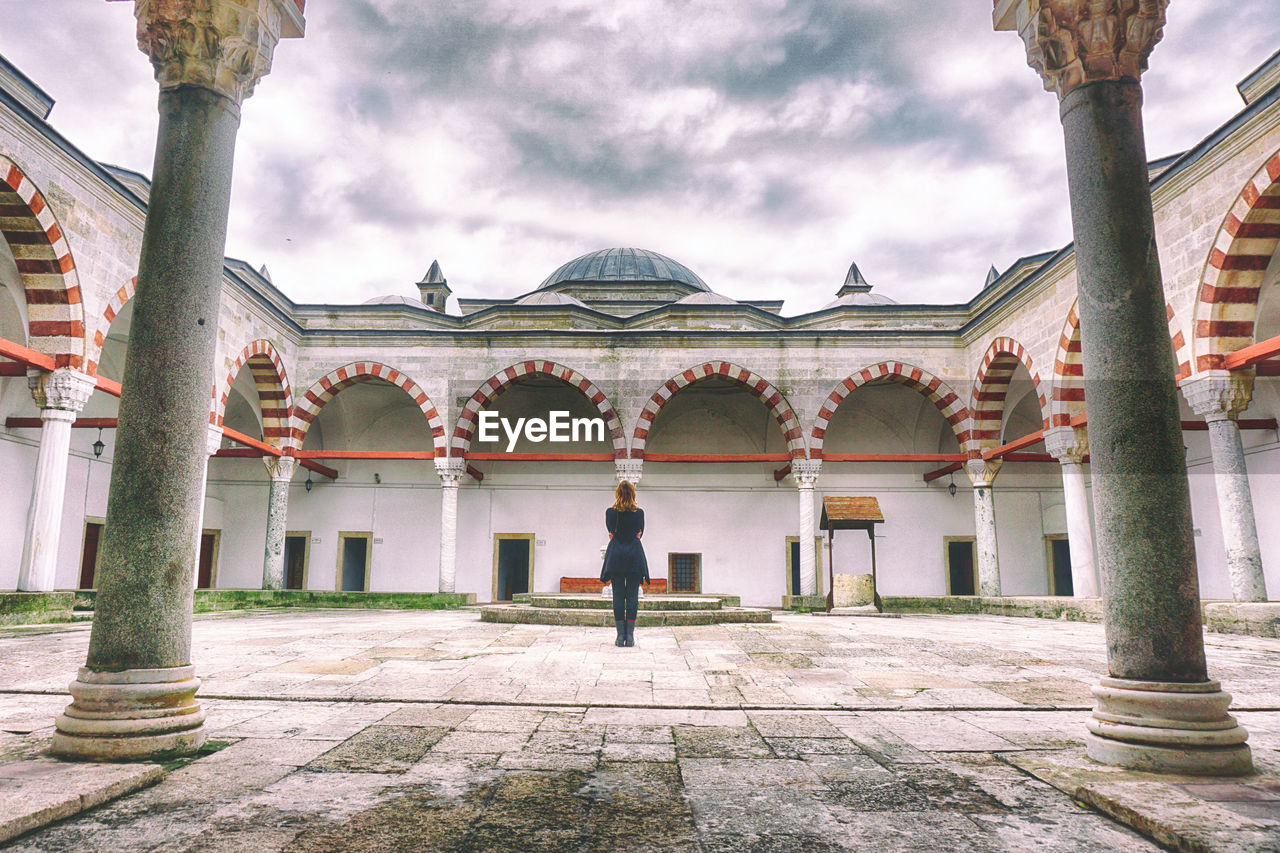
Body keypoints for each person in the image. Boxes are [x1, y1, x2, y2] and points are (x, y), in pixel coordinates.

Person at [600, 480, 648, 647]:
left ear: (617, 493)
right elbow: (639, 534)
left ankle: (620, 636)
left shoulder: (610, 513)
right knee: (632, 595)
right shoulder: (639, 513)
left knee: (618, 595)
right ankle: (631, 636)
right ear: (633, 494)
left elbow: (611, 532)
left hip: (617, 555)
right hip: (634, 554)